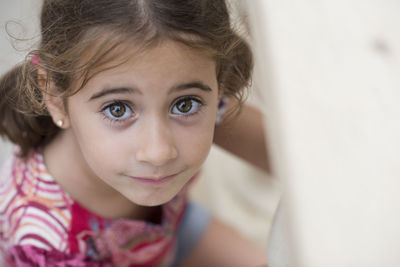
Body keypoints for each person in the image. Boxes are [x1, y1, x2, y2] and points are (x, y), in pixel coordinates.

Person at [0, 0, 268, 266]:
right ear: (55, 97)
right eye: (117, 109)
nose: (159, 152)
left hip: (171, 230)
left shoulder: (203, 98)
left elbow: (292, 160)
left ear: (219, 84)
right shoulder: (43, 242)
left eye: (184, 104)